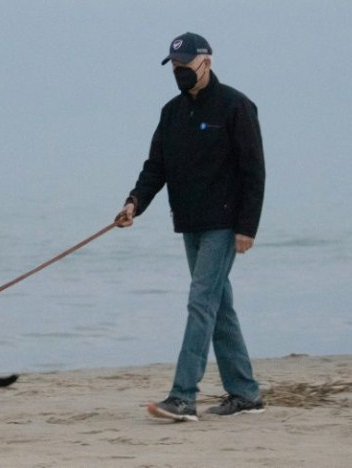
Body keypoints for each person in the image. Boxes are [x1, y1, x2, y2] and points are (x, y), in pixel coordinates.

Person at [115, 32, 266, 421]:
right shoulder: (171, 113)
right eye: (175, 68)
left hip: (224, 223)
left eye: (186, 66)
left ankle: (183, 397)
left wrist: (247, 226)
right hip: (190, 224)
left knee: (201, 302)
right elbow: (156, 168)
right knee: (219, 306)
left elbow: (254, 171)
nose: (181, 73)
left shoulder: (236, 106)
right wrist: (134, 203)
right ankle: (245, 393)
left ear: (207, 62)